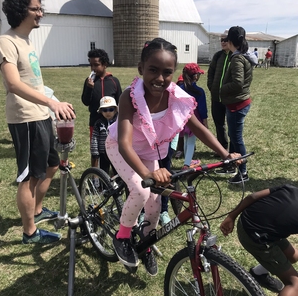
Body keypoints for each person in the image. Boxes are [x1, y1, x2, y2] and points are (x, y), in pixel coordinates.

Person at [105, 37, 241, 276]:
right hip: (120, 147)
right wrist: (147, 173)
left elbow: (198, 127)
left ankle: (146, 243)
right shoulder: (130, 96)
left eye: (167, 72)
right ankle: (122, 236)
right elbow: (125, 143)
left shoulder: (175, 95)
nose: (159, 78)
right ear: (141, 69)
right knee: (141, 190)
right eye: (153, 70)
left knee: (156, 202)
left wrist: (225, 154)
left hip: (148, 151)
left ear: (173, 73)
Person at [0, 0, 76, 244]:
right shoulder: (6, 41)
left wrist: (53, 101)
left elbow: (33, 82)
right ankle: (29, 232)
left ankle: (38, 209)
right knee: (29, 176)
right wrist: (51, 103)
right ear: (21, 10)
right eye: (36, 9)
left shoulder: (26, 41)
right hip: (26, 119)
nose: (41, 13)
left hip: (41, 115)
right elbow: (13, 84)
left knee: (51, 166)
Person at [219, 185, 298, 294]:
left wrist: (231, 216)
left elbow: (253, 196)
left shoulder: (291, 189)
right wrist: (231, 217)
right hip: (256, 238)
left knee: (293, 256)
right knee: (294, 284)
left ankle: (258, 274)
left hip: (249, 222)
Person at [220, 26, 258, 184]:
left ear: (230, 41)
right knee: (234, 137)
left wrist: (222, 88)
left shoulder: (237, 58)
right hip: (239, 101)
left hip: (237, 103)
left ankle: (243, 173)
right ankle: (239, 169)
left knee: (236, 138)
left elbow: (237, 82)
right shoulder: (244, 55)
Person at [81, 48, 122, 168]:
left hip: (112, 123)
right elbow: (85, 101)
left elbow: (119, 101)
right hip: (95, 122)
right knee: (95, 150)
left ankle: (116, 173)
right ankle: (95, 177)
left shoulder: (114, 81)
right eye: (91, 65)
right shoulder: (90, 81)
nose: (93, 68)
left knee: (113, 148)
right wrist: (89, 88)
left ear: (105, 65)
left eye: (96, 65)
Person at [207, 35, 232, 167]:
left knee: (232, 125)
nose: (223, 42)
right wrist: (211, 86)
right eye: (221, 40)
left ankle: (233, 150)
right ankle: (222, 148)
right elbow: (211, 72)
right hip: (216, 96)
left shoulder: (235, 56)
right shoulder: (218, 56)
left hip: (229, 98)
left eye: (225, 40)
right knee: (219, 123)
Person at [179, 63, 208, 170]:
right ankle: (187, 164)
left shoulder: (179, 89)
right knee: (191, 142)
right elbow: (202, 109)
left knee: (187, 140)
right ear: (195, 76)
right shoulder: (199, 91)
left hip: (182, 119)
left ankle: (188, 160)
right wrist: (205, 122)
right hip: (194, 119)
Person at [90, 96, 118, 175]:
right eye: (105, 110)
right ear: (101, 111)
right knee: (103, 171)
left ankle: (117, 185)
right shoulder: (99, 123)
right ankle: (104, 186)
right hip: (103, 152)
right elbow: (94, 137)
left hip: (116, 151)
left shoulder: (119, 122)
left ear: (115, 110)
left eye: (111, 109)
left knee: (118, 171)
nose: (108, 112)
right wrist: (95, 151)